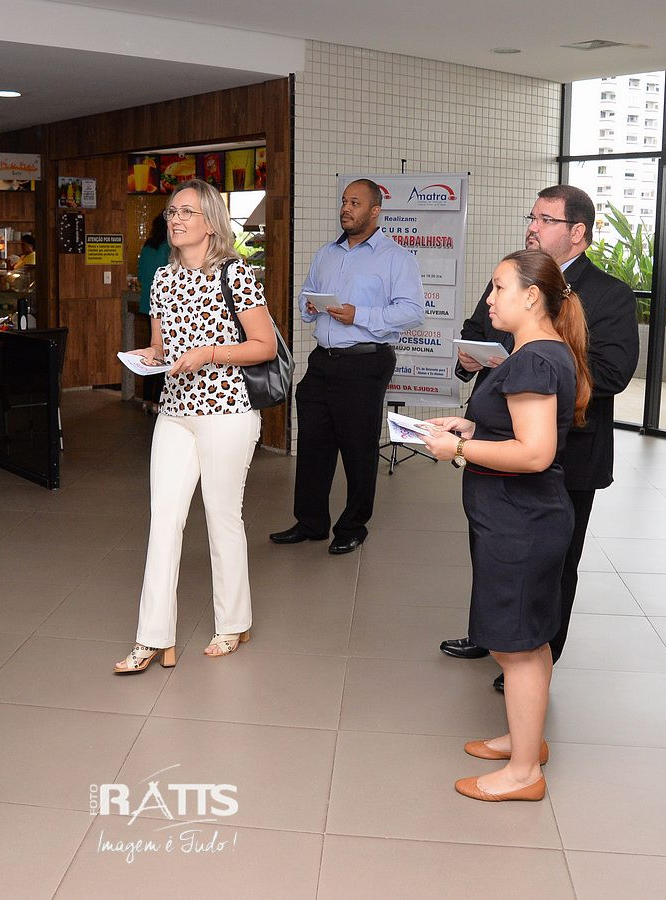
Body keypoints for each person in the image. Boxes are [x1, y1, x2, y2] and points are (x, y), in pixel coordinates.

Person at [438, 185, 640, 692]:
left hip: (571, 453)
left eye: (546, 220)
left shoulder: (609, 294)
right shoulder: (514, 276)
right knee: (492, 550)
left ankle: (535, 655)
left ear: (578, 232)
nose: (533, 227)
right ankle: (493, 634)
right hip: (496, 443)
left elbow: (613, 372)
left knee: (553, 564)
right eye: (532, 217)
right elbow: (477, 330)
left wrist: (530, 368)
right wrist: (470, 359)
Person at [421, 248, 593, 802]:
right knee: (530, 641)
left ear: (532, 296)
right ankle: (526, 743)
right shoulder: (540, 352)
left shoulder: (532, 360)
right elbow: (520, 429)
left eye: (498, 288)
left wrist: (458, 450)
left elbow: (535, 453)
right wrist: (472, 427)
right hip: (524, 519)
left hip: (521, 523)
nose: (489, 299)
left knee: (515, 648)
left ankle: (523, 775)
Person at [114, 179, 276, 673]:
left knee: (222, 516)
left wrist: (209, 353)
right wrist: (149, 356)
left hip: (227, 411)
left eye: (187, 212)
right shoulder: (162, 278)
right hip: (175, 411)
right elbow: (163, 346)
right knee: (163, 519)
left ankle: (233, 623)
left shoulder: (235, 273)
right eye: (171, 212)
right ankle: (152, 637)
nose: (175, 219)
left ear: (210, 222)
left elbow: (264, 346)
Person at [269, 179, 424, 555]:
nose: (346, 208)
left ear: (375, 211)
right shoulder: (327, 253)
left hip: (365, 363)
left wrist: (360, 315)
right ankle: (311, 522)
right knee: (313, 445)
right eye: (344, 201)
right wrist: (308, 306)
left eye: (355, 202)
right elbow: (306, 293)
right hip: (322, 361)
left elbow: (412, 312)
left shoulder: (396, 257)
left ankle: (353, 526)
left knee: (358, 449)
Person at [136, 213, 171, 412]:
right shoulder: (170, 247)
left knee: (152, 350)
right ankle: (158, 401)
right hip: (165, 308)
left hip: (146, 306)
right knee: (163, 354)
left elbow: (141, 275)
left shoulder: (147, 246)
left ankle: (146, 399)